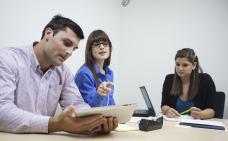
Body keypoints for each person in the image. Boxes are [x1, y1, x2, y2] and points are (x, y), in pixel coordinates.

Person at [0, 15, 117, 135]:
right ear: (48, 33)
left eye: (74, 49)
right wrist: (55, 124)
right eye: (67, 43)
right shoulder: (7, 59)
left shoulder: (64, 72)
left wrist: (95, 122)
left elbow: (77, 105)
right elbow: (2, 111)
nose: (69, 52)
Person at [161, 48, 216, 120]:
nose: (180, 68)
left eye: (185, 65)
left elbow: (212, 110)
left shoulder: (205, 80)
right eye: (177, 64)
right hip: (175, 125)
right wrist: (167, 110)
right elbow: (164, 105)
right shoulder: (169, 79)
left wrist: (201, 114)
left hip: (197, 126)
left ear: (194, 65)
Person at [75, 30, 115, 107]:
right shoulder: (84, 74)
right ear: (90, 50)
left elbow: (110, 101)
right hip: (91, 118)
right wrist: (99, 95)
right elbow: (89, 108)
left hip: (106, 117)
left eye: (105, 44)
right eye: (97, 44)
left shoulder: (109, 73)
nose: (102, 47)